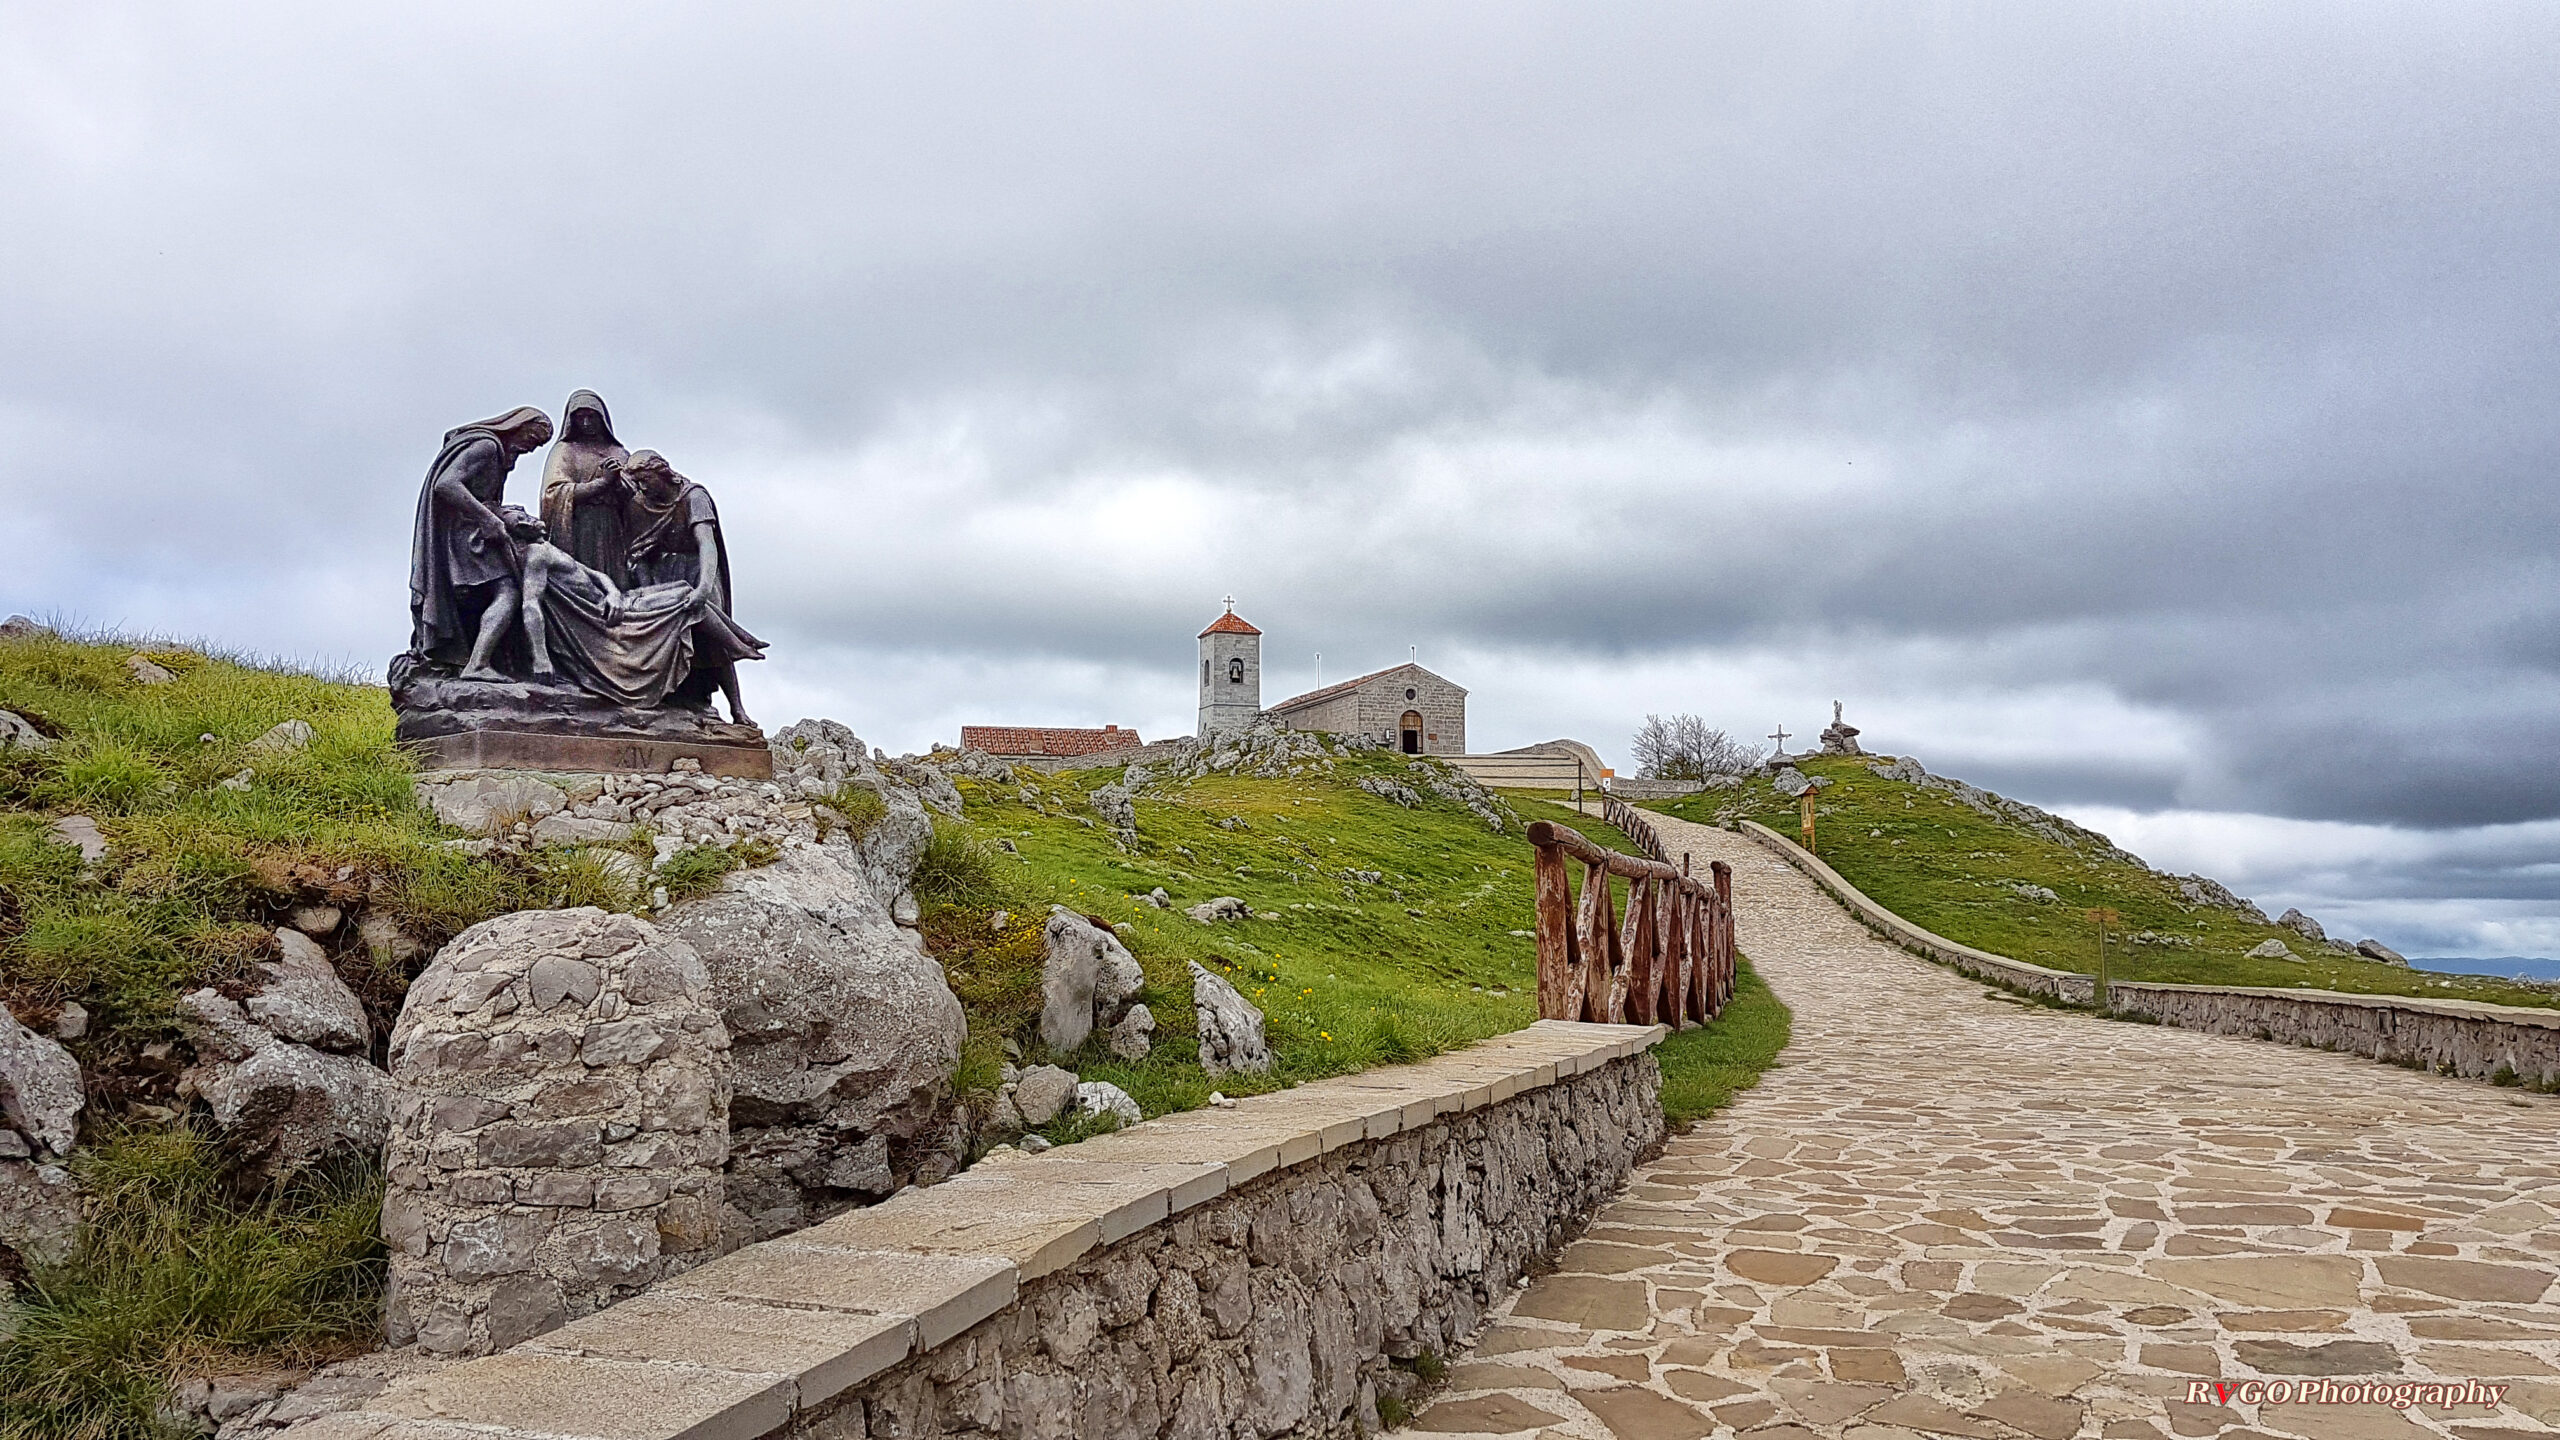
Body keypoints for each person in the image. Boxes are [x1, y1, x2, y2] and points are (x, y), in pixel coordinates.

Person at [405, 406, 553, 680]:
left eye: (537, 446)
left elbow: (486, 499)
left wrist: (506, 517)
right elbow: (447, 484)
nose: (531, 448)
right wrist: (486, 518)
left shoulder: (501, 454)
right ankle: (478, 664)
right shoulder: (486, 446)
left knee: (503, 591)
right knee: (509, 592)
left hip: (472, 534)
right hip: (462, 538)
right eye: (532, 439)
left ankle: (476, 660)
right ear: (518, 425)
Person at [622, 451, 764, 723]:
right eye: (637, 482)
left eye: (645, 480)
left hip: (698, 570)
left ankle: (737, 707)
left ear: (660, 473)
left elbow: (706, 544)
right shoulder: (638, 505)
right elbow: (636, 553)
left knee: (712, 640)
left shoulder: (693, 497)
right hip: (662, 575)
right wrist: (647, 586)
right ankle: (672, 699)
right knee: (666, 637)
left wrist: (703, 587)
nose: (642, 487)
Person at [539, 389, 633, 585]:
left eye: (592, 417)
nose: (586, 423)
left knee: (619, 584)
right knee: (584, 583)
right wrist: (602, 482)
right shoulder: (565, 450)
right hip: (579, 526)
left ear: (602, 418)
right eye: (580, 418)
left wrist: (618, 481)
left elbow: (634, 497)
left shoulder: (619, 452)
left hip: (613, 527)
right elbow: (554, 492)